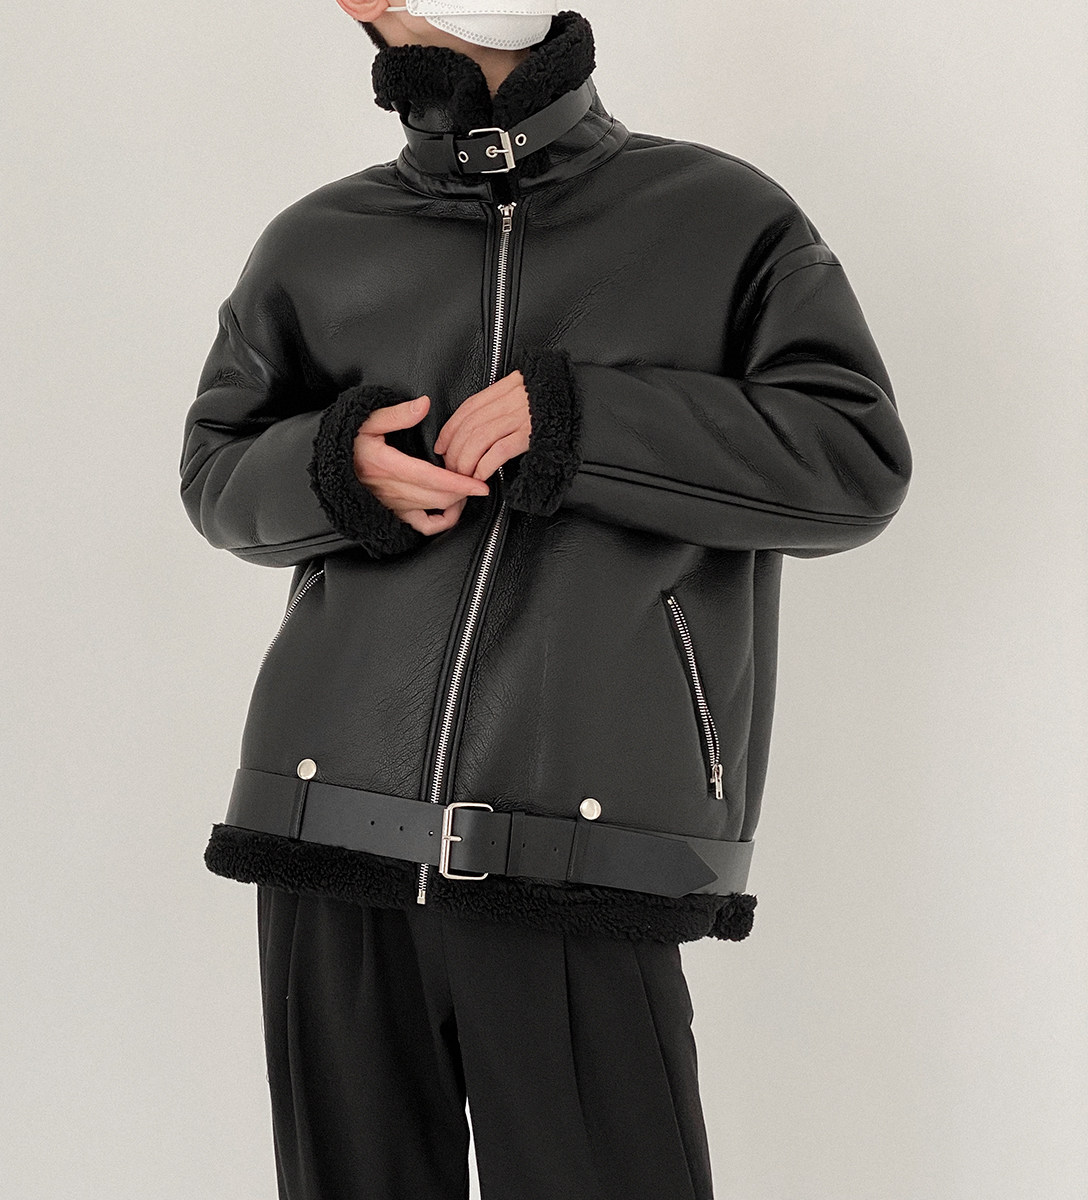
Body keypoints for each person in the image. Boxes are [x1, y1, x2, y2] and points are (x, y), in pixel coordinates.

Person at [177, 4, 914, 1197]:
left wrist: (583, 422)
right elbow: (215, 473)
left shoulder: (721, 218)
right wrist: (334, 467)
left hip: (583, 845)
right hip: (326, 834)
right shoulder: (320, 241)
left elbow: (853, 463)